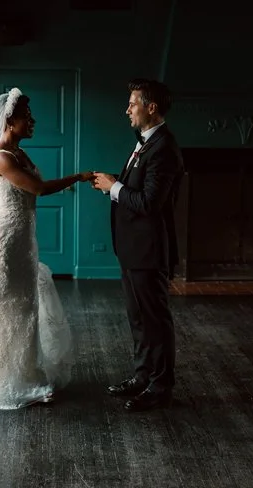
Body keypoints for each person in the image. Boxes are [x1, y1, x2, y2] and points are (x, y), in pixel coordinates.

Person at [0, 87, 94, 410]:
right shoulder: (1, 157)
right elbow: (38, 189)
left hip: (22, 238)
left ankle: (24, 374)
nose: (33, 121)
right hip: (3, 240)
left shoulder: (19, 153)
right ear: (10, 121)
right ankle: (1, 378)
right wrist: (78, 177)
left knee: (25, 305)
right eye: (28, 116)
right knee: (5, 307)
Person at [91, 79, 184, 413]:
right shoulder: (146, 143)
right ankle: (143, 376)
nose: (127, 109)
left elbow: (149, 202)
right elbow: (135, 189)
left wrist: (114, 186)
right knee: (139, 318)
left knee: (155, 320)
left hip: (149, 251)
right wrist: (110, 185)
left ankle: (161, 386)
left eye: (132, 103)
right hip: (132, 249)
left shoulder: (164, 148)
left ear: (151, 107)